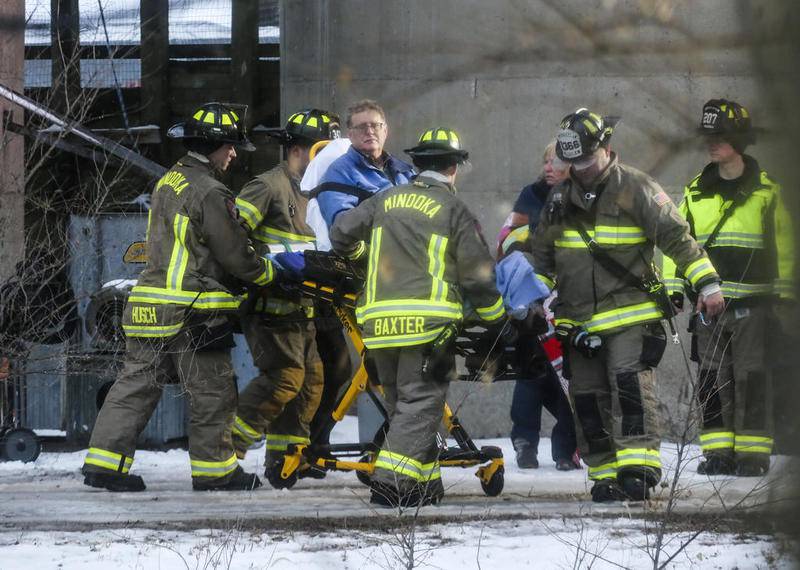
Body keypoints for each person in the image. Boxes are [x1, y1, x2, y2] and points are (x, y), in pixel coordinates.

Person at [530, 108, 724, 502]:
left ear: (606, 147)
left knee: (629, 390)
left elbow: (677, 238)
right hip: (578, 322)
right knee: (586, 400)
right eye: (575, 163)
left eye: (587, 159)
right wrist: (530, 300)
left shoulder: (636, 187)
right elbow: (542, 261)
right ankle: (604, 474)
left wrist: (707, 283)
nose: (582, 170)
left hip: (631, 315)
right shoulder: (557, 201)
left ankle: (638, 469)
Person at [82, 103, 274, 492]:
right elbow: (233, 252)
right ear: (213, 145)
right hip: (193, 312)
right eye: (230, 146)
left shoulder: (169, 181)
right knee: (213, 391)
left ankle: (103, 465)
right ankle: (215, 473)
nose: (234, 154)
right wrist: (267, 272)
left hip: (148, 307)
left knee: (134, 386)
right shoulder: (210, 190)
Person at [330, 128, 506, 508]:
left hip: (378, 327)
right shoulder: (454, 210)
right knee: (422, 405)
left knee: (402, 406)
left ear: (418, 165)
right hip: (428, 328)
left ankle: (422, 486)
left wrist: (364, 254)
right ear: (454, 168)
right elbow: (478, 273)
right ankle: (391, 484)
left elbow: (341, 232)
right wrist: (495, 317)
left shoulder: (385, 199)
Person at [663, 99, 794, 477]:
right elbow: (675, 244)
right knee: (711, 379)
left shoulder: (767, 193)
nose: (712, 143)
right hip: (709, 308)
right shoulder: (695, 193)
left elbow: (786, 245)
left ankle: (753, 453)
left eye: (720, 136)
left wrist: (785, 294)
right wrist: (673, 289)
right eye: (709, 136)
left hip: (754, 305)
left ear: (739, 139)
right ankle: (717, 452)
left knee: (752, 378)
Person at [231, 109, 341, 484]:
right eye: (322, 152)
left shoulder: (318, 193)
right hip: (269, 307)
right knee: (284, 379)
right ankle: (225, 448)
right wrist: (267, 267)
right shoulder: (268, 186)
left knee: (311, 382)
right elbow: (231, 240)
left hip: (303, 309)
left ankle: (286, 459)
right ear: (298, 150)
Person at [497, 141, 579, 471]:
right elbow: (505, 240)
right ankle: (524, 444)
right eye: (545, 161)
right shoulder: (529, 197)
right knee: (529, 373)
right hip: (531, 301)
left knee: (571, 379)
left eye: (556, 162)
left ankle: (564, 452)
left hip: (572, 301)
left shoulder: (586, 198)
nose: (548, 167)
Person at [315, 99, 415, 229]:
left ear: (385, 131)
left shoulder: (406, 171)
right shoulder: (339, 173)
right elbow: (342, 228)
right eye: (362, 127)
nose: (369, 131)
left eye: (375, 125)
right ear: (350, 135)